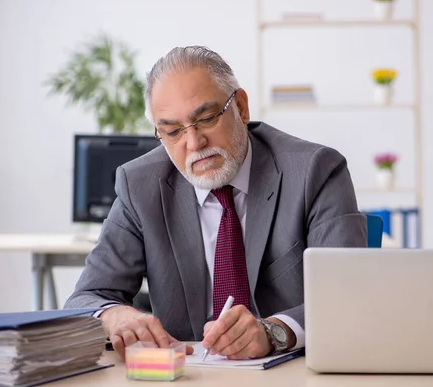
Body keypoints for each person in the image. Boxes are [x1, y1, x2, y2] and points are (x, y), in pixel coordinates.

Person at [64, 46, 367, 360]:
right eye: (172, 131)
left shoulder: (314, 171)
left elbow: (349, 293)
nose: (193, 143)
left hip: (290, 371)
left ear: (241, 107)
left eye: (206, 119)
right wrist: (117, 316)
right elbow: (86, 298)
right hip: (186, 375)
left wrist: (275, 331)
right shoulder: (140, 185)